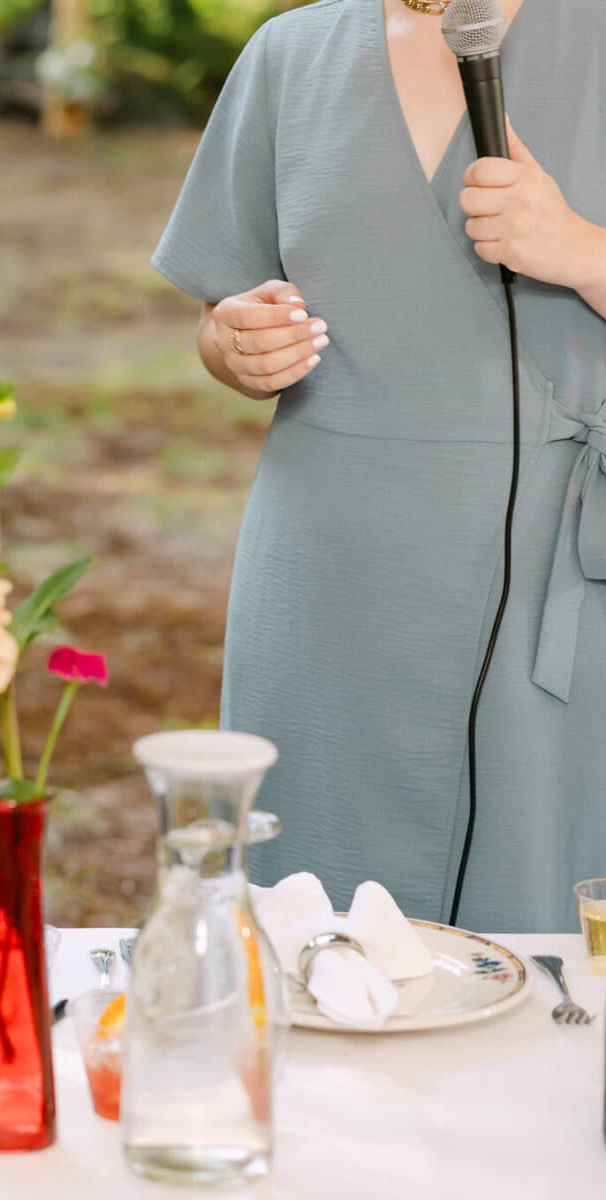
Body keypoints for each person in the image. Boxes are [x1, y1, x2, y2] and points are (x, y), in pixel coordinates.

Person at [153, 0, 604, 931]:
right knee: (311, 930)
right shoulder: (291, 55)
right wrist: (233, 347)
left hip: (563, 588)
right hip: (328, 584)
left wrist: (583, 253)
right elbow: (219, 307)